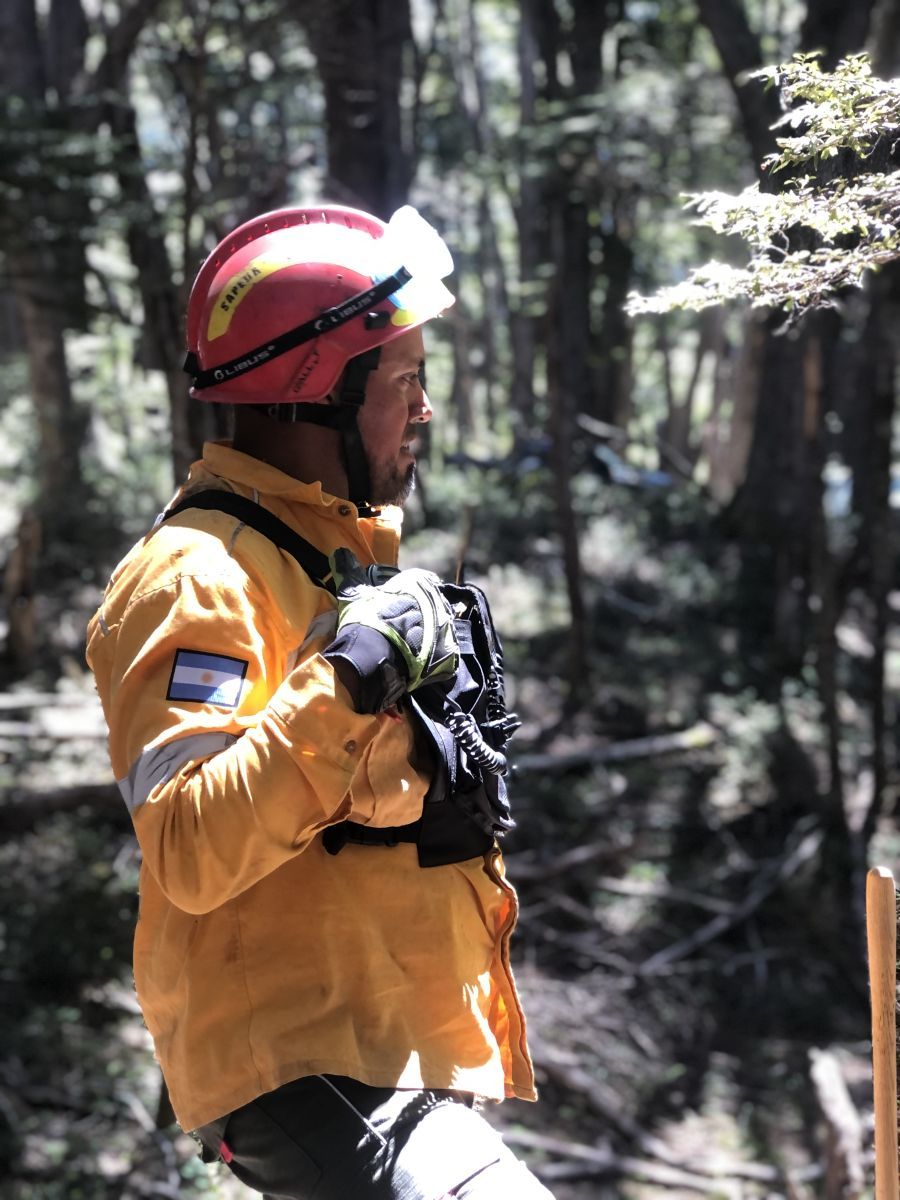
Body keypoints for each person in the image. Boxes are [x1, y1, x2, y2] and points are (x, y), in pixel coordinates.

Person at [86, 203, 554, 1199]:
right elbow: (189, 845)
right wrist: (350, 676)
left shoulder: (323, 559)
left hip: (384, 1048)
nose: (425, 410)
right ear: (318, 393)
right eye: (404, 381)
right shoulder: (196, 575)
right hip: (298, 1059)